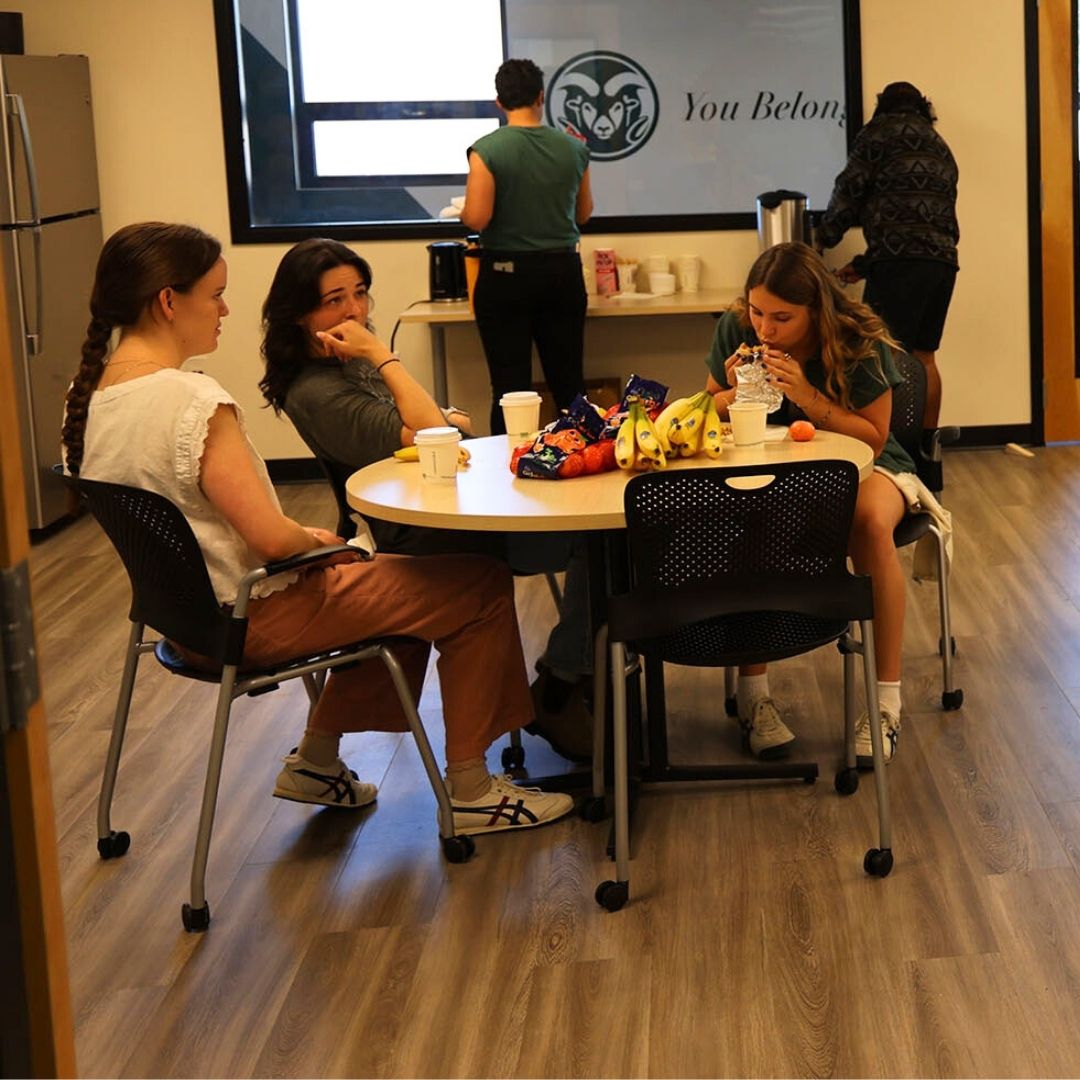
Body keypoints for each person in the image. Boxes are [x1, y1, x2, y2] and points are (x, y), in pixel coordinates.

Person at [61, 221, 574, 837]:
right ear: (169, 301)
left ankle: (318, 763)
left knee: (409, 586)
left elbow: (202, 520)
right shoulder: (192, 403)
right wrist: (309, 543)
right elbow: (273, 544)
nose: (226, 309)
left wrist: (297, 539)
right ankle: (470, 790)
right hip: (251, 612)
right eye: (215, 294)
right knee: (479, 587)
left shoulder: (86, 398)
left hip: (185, 615)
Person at [258, 236, 594, 762]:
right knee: (591, 540)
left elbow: (438, 424)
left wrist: (432, 419)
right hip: (412, 528)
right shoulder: (318, 390)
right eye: (334, 300)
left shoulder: (347, 362)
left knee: (587, 533)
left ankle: (569, 678)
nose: (355, 311)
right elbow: (437, 426)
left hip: (435, 501)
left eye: (361, 293)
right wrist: (385, 357)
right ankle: (564, 683)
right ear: (299, 314)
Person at [704, 242, 916, 767]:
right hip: (769, 459)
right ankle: (755, 697)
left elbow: (872, 437)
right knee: (748, 517)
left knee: (867, 522)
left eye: (782, 318)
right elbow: (703, 411)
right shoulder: (738, 328)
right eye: (757, 312)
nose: (765, 330)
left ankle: (886, 699)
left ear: (815, 310)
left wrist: (806, 395)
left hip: (866, 462)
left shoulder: (856, 339)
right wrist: (731, 393)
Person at [815, 81, 959, 429]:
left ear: (882, 108)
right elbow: (918, 222)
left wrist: (822, 239)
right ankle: (928, 449)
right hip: (943, 264)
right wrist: (865, 265)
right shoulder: (941, 147)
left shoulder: (878, 134)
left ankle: (890, 449)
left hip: (900, 265)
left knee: (883, 356)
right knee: (924, 357)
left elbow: (848, 190)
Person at [461, 57, 593, 435]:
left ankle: (507, 473)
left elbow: (478, 218)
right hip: (562, 274)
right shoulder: (573, 149)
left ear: (499, 102)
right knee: (569, 384)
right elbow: (584, 213)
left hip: (506, 277)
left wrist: (463, 215)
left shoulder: (486, 150)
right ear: (541, 96)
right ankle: (580, 467)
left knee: (508, 387)